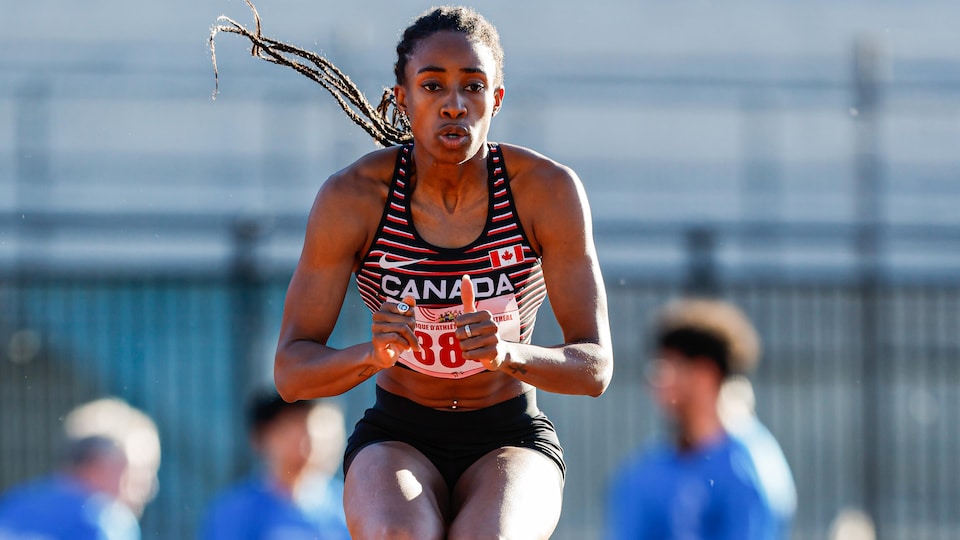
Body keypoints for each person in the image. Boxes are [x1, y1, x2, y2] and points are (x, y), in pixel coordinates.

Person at [211, 4, 613, 538]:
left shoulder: (546, 191)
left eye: (473, 87)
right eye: (432, 86)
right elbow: (291, 372)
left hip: (509, 435)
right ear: (402, 98)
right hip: (398, 432)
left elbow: (595, 367)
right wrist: (371, 355)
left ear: (495, 99)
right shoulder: (353, 198)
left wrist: (507, 354)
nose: (454, 105)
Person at [606, 298, 790, 540]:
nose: (656, 382)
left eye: (667, 367)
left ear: (706, 373)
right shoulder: (645, 471)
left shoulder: (748, 468)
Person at [198, 388, 350, 540]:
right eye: (293, 432)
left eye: (325, 432)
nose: (309, 446)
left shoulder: (348, 508)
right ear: (260, 437)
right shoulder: (235, 513)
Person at [0, 397, 160, 540]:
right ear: (99, 465)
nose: (149, 488)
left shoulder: (13, 504)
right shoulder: (105, 522)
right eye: (139, 472)